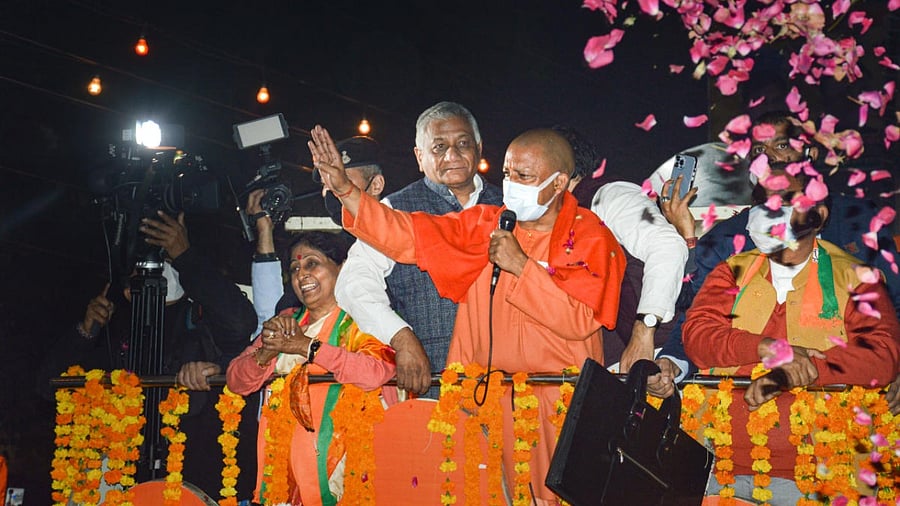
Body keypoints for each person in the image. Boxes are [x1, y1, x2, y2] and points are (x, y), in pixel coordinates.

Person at [310, 124, 626, 505]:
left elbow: (579, 320)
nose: (511, 185)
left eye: (524, 177)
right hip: (486, 402)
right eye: (508, 174)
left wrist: (522, 267)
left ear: (559, 183)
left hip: (556, 404)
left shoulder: (591, 236)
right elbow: (407, 233)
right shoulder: (488, 225)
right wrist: (346, 191)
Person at [649, 110, 900, 407]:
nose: (770, 158)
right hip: (742, 403)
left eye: (781, 146)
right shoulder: (728, 239)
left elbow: (893, 306)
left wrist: (894, 365)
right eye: (758, 151)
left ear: (809, 153)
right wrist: (672, 363)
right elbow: (698, 322)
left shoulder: (859, 220)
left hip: (839, 404)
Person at [682, 168, 900, 504]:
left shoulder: (858, 278)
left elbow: (881, 356)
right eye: (762, 200)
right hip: (719, 470)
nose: (770, 209)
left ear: (819, 215)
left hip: (817, 477)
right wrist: (764, 347)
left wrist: (801, 368)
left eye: (785, 199)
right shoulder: (732, 270)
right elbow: (698, 337)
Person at [39, 210, 259, 503]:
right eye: (137, 272)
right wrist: (86, 330)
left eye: (166, 262)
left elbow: (241, 322)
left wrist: (184, 256)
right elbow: (47, 385)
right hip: (120, 483)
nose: (152, 275)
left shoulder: (203, 322)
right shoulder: (113, 328)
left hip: (193, 486)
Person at [334, 101, 503, 397]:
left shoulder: (510, 207)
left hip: (508, 382)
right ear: (419, 156)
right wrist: (400, 338)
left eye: (463, 143)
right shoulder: (395, 209)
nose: (453, 155)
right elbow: (352, 284)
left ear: (478, 147)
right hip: (430, 383)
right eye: (438, 147)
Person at [226, 231, 397, 506]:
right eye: (294, 269)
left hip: (347, 470)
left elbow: (377, 372)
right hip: (286, 471)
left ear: (341, 268)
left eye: (312, 264)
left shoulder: (364, 319)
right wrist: (267, 352)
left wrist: (306, 347)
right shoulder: (285, 323)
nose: (301, 275)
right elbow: (236, 381)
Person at [552, 126, 695, 371]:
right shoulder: (568, 210)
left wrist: (643, 330)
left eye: (528, 171)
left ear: (562, 170)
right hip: (617, 359)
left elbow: (668, 246)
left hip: (653, 354)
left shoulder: (608, 195)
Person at [248, 136, 387, 331]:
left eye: (341, 181)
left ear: (376, 185)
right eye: (326, 185)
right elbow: (278, 314)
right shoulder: (334, 252)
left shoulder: (403, 239)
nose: (330, 191)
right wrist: (265, 232)